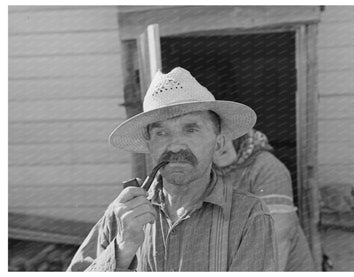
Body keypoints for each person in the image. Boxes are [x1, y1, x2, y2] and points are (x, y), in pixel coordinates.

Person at [67, 67, 278, 271]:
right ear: (149, 146)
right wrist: (123, 249)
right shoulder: (121, 214)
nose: (175, 145)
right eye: (161, 133)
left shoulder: (249, 216)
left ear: (219, 143)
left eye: (191, 129)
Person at [213, 129, 315, 271]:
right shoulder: (201, 174)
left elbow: (277, 240)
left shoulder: (266, 167)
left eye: (222, 133)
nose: (219, 144)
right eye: (209, 137)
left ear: (237, 132)